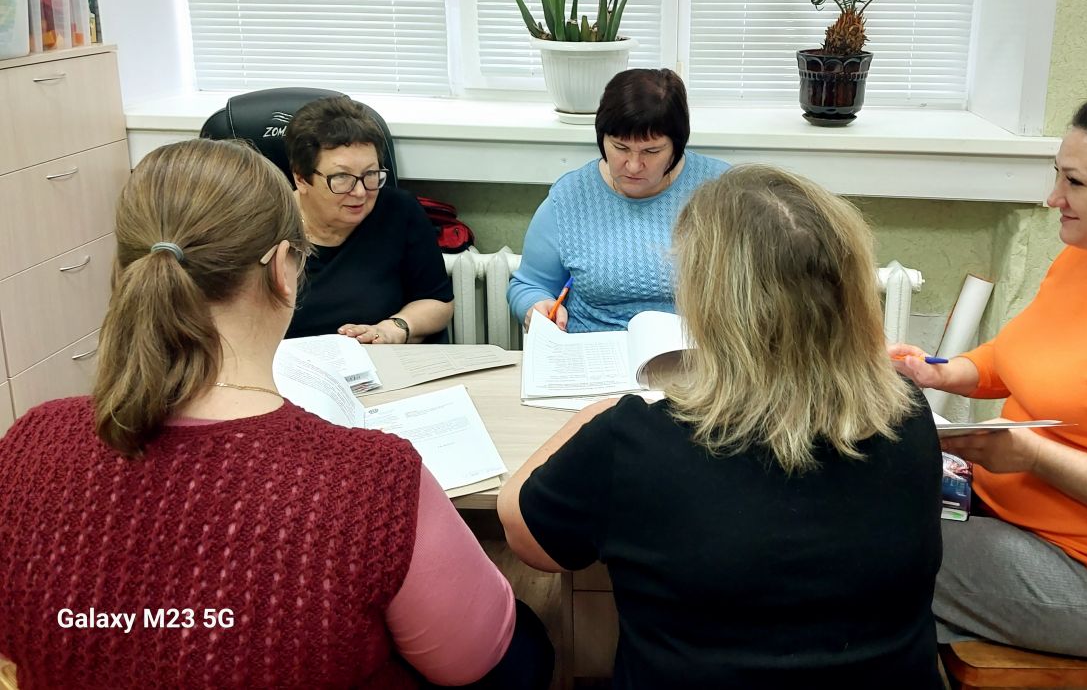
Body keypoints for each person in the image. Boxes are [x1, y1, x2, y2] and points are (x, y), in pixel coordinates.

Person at [0, 139, 553, 690]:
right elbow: (476, 661)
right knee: (526, 649)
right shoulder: (369, 482)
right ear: (284, 268)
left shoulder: (30, 440)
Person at [499, 165, 944, 689]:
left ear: (708, 303)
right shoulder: (910, 416)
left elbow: (525, 534)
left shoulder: (634, 442)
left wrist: (600, 415)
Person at [893, 91, 1087, 658]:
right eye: (1056, 175)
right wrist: (940, 372)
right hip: (1006, 514)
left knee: (858, 550)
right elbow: (1018, 357)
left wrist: (1037, 458)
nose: (1052, 198)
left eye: (1076, 184)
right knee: (846, 503)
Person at [507, 67, 728, 333]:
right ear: (602, 139)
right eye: (620, 147)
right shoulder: (570, 197)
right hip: (593, 352)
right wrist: (535, 305)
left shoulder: (722, 190)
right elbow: (529, 285)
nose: (633, 166)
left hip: (694, 355)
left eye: (651, 151)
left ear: (677, 145)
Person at [284, 95, 453, 343]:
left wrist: (392, 329)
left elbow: (437, 301)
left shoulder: (399, 211)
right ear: (301, 179)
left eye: (370, 174)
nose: (361, 192)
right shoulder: (267, 224)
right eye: (342, 177)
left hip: (381, 362)